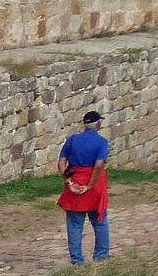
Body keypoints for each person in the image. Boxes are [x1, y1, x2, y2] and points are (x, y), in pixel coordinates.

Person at [57, 110, 109, 265]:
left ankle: (77, 259)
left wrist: (69, 183)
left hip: (75, 182)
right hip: (93, 184)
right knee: (100, 222)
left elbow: (61, 163)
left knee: (74, 224)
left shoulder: (72, 140)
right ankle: (101, 256)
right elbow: (99, 165)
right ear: (98, 124)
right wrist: (90, 185)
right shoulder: (102, 142)